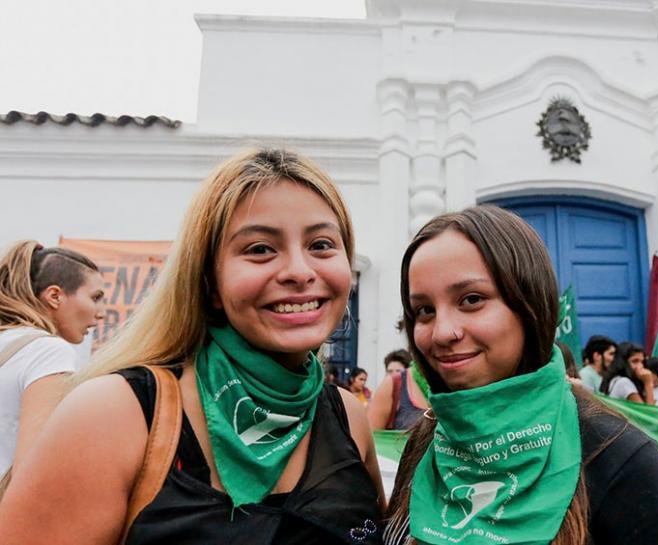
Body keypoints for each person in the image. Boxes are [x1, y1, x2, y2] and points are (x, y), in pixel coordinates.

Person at [0, 149, 385, 544]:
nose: (300, 272)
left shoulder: (348, 419)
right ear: (209, 283)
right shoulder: (116, 413)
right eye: (259, 249)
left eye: (321, 244)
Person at [383, 205, 658, 545]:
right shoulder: (426, 442)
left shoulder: (618, 456)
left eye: (471, 299)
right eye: (424, 310)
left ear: (530, 304)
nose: (442, 332)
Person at [0, 242, 105, 484]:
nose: (101, 313)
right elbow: (33, 470)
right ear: (55, 296)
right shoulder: (47, 351)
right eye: (95, 297)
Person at [367, 350, 429, 431]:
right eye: (390, 371)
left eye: (398, 371)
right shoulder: (389, 387)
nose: (394, 374)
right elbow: (371, 435)